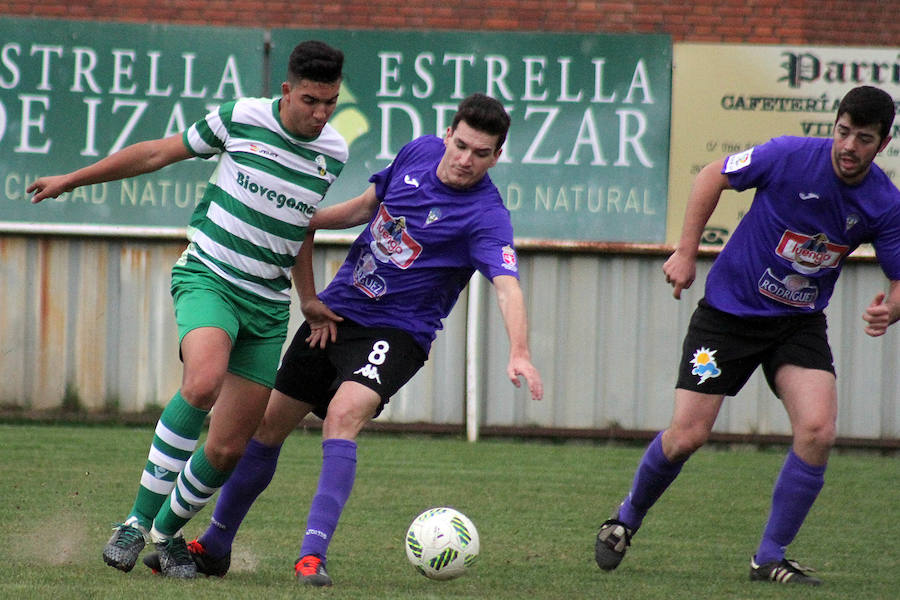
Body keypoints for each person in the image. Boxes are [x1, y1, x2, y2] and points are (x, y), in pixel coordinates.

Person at [142, 92, 544, 586]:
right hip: (335, 312)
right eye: (460, 145)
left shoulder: (487, 215)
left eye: (481, 153)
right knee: (266, 428)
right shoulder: (418, 152)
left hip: (398, 334)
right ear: (447, 135)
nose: (465, 160)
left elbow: (507, 286)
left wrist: (520, 350)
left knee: (341, 415)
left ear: (497, 156)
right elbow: (364, 208)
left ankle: (313, 556)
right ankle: (217, 544)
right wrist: (307, 221)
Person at [26, 40, 349, 578]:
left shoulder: (332, 152)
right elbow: (157, 152)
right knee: (202, 383)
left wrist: (309, 298)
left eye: (331, 102)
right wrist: (73, 178)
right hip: (210, 278)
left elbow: (302, 226)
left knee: (227, 449)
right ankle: (133, 523)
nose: (320, 113)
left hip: (267, 307)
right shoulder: (241, 118)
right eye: (311, 100)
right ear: (286, 91)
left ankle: (166, 534)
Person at [594, 85, 900, 586]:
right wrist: (687, 252)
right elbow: (711, 175)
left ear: (882, 144)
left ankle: (769, 557)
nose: (849, 147)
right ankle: (626, 518)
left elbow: (899, 280)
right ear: (834, 126)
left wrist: (891, 311)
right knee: (687, 436)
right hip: (727, 318)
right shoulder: (786, 156)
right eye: (843, 132)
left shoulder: (884, 203)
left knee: (818, 430)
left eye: (863, 139)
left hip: (796, 326)